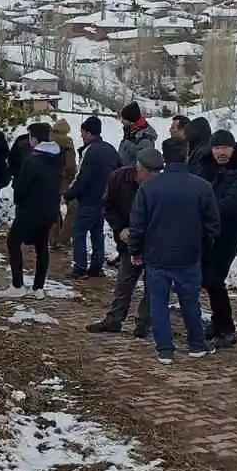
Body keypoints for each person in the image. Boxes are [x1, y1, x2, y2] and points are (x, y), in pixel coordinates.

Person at [128, 133, 220, 362]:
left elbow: (137, 225)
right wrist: (203, 247)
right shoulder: (202, 187)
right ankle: (197, 343)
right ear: (187, 154)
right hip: (189, 255)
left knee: (158, 302)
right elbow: (213, 225)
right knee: (190, 301)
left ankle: (165, 348)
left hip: (156, 255)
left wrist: (135, 251)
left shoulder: (149, 188)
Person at [193, 130, 237, 349]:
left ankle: (226, 328)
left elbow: (233, 205)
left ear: (233, 147)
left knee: (214, 279)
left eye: (225, 148)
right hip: (208, 231)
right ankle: (218, 321)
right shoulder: (205, 166)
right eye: (217, 148)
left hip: (230, 232)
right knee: (206, 278)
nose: (221, 152)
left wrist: (203, 209)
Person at [87, 150, 158, 337]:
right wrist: (120, 228)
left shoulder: (161, 185)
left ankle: (144, 323)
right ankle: (114, 320)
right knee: (124, 281)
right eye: (148, 173)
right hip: (129, 238)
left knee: (153, 283)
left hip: (154, 241)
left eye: (155, 173)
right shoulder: (118, 178)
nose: (151, 178)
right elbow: (108, 206)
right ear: (138, 168)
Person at [9, 122, 62, 291]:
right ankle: (38, 287)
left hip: (30, 210)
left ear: (34, 138)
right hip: (49, 209)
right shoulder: (56, 157)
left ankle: (17, 285)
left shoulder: (33, 160)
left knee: (13, 242)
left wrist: (19, 199)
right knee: (41, 246)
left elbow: (21, 188)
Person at [67, 115, 117, 278]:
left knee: (78, 232)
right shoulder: (110, 149)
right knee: (97, 232)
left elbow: (82, 177)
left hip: (89, 198)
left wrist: (69, 194)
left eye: (82, 132)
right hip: (104, 199)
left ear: (89, 133)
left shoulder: (90, 151)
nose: (81, 136)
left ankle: (80, 267)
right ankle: (96, 266)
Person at [50, 118, 78, 253]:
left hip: (49, 180)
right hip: (64, 182)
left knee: (53, 210)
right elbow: (72, 167)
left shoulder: (48, 141)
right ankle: (63, 239)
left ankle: (52, 239)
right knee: (72, 209)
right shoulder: (68, 144)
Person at [117, 102, 158, 166]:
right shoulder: (131, 131)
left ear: (131, 121)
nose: (121, 121)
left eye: (124, 119)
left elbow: (142, 166)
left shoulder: (145, 140)